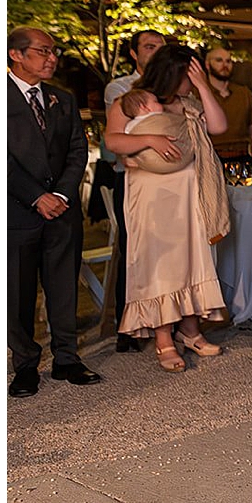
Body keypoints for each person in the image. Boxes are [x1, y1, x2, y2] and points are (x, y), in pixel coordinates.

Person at [105, 43, 230, 370]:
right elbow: (114, 140)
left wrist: (203, 87)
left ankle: (190, 330)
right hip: (152, 193)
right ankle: (163, 338)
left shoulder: (188, 103)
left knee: (192, 259)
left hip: (190, 189)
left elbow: (218, 127)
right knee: (160, 264)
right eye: (190, 74)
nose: (193, 80)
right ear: (172, 74)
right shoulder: (131, 102)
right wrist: (150, 140)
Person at [8, 29, 103, 397]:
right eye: (43, 51)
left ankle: (67, 357)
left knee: (63, 286)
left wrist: (61, 193)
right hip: (17, 212)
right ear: (16, 55)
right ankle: (26, 364)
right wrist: (37, 197)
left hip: (62, 211)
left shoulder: (61, 99)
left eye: (54, 51)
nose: (52, 58)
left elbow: (78, 151)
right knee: (18, 292)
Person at [96, 28, 167, 353]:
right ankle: (129, 325)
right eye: (149, 47)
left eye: (161, 47)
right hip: (134, 179)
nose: (155, 52)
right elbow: (120, 134)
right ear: (134, 54)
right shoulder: (120, 88)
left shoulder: (170, 87)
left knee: (169, 253)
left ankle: (168, 320)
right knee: (134, 250)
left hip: (169, 182)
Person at [202, 43, 252, 162]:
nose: (225, 65)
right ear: (207, 65)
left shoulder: (244, 93)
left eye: (228, 61)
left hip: (241, 156)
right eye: (219, 60)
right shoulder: (198, 93)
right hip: (209, 157)